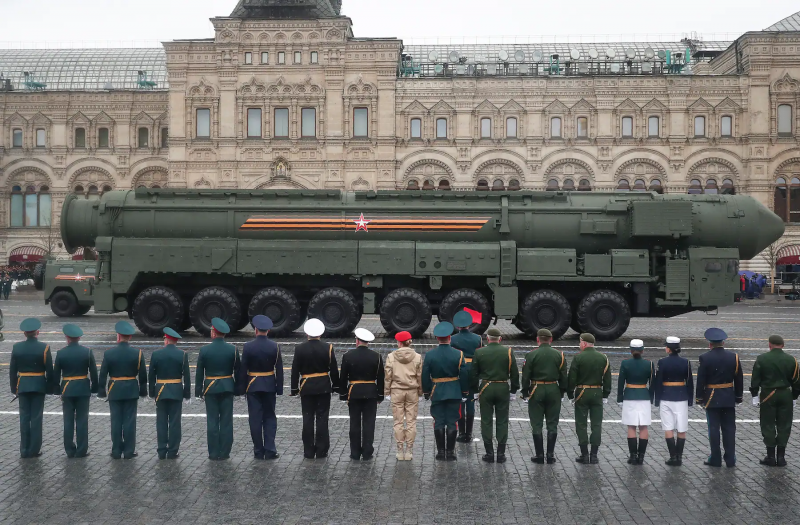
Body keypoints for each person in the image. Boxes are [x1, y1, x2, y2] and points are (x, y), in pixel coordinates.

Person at [291, 318, 340, 459]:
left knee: (307, 419)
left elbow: (295, 370)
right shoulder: (328, 347)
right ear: (320, 333)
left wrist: (294, 388)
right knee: (322, 418)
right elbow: (334, 370)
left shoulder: (300, 348)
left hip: (306, 387)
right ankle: (321, 450)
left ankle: (308, 451)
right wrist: (336, 386)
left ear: (307, 333)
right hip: (324, 386)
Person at [470, 327, 520, 463]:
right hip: (503, 387)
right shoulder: (508, 352)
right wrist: (514, 390)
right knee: (502, 420)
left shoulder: (479, 352)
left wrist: (474, 391)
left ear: (487, 339)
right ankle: (501, 454)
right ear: (500, 339)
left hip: (486, 388)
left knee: (486, 420)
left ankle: (489, 453)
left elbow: (473, 374)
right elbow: (514, 374)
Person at [98, 321, 147, 459]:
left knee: (116, 421)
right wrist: (143, 391)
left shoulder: (109, 353)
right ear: (130, 337)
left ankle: (116, 451)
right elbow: (143, 375)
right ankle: (129, 451)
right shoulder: (137, 353)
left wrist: (101, 391)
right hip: (131, 389)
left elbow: (103, 374)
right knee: (130, 421)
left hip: (115, 389)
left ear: (118, 336)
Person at [422, 321, 470, 461]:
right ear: (450, 337)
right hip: (454, 391)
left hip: (437, 391)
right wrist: (465, 392)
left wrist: (426, 392)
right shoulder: (459, 354)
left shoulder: (430, 355)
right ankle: (450, 452)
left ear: (438, 338)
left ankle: (440, 452)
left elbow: (425, 375)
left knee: (438, 421)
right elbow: (464, 374)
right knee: (452, 421)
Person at [696, 328, 743, 468]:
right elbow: (739, 379)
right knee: (729, 429)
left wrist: (699, 398)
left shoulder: (705, 357)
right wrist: (738, 397)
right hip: (728, 397)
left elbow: (701, 380)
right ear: (723, 342)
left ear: (710, 344)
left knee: (714, 429)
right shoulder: (733, 356)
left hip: (712, 397)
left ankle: (715, 458)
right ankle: (730, 459)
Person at [750, 334, 800, 466]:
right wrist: (794, 396)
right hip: (786, 394)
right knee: (784, 425)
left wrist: (754, 394)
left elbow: (755, 378)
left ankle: (771, 456)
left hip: (768, 394)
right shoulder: (792, 360)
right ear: (783, 345)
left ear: (769, 345)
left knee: (768, 424)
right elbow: (796, 381)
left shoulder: (762, 359)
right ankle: (781, 457)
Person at [238, 315, 283, 460]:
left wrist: (241, 389)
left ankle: (258, 450)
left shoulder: (248, 346)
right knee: (270, 417)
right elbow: (279, 369)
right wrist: (279, 388)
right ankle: (270, 449)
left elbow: (243, 369)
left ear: (255, 329)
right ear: (268, 330)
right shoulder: (275, 346)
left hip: (253, 385)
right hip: (269, 385)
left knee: (255, 419)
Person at [195, 317, 241, 461]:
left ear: (214, 333)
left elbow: (199, 372)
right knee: (226, 421)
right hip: (227, 387)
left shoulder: (204, 350)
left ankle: (213, 453)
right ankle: (225, 452)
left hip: (210, 388)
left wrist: (198, 391)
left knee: (212, 421)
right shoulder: (233, 349)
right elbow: (238, 371)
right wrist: (238, 390)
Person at [520, 328, 567, 464]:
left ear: (538, 339)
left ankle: (539, 455)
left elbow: (525, 376)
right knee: (552, 423)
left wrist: (525, 392)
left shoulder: (531, 355)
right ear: (551, 339)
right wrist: (562, 392)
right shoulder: (560, 355)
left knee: (536, 423)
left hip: (536, 389)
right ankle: (550, 455)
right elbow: (564, 377)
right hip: (553, 389)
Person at [9, 318, 53, 458]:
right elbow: (49, 371)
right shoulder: (44, 348)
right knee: (36, 418)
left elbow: (12, 371)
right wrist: (50, 387)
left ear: (24, 334)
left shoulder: (17, 347)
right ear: (37, 332)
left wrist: (13, 388)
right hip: (39, 385)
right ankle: (34, 449)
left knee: (24, 418)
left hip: (22, 385)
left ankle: (24, 449)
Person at [53, 324, 98, 458]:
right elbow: (94, 373)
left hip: (67, 389)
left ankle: (69, 450)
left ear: (67, 337)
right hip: (83, 389)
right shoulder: (87, 352)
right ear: (79, 338)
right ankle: (82, 450)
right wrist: (94, 388)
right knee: (82, 420)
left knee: (68, 421)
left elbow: (56, 374)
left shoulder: (61, 353)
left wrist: (57, 390)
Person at [339, 328, 385, 461]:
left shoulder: (348, 355)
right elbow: (381, 378)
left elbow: (343, 378)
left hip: (354, 392)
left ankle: (354, 452)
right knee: (369, 423)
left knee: (354, 423)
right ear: (367, 342)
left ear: (357, 341)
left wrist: (343, 394)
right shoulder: (376, 356)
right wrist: (380, 395)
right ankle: (367, 451)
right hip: (371, 392)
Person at [567, 333, 612, 464]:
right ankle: (594, 455)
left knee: (581, 424)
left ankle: (584, 454)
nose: (579, 344)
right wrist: (605, 394)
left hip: (582, 392)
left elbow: (572, 378)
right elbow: (607, 379)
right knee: (596, 424)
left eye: (580, 342)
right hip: (597, 392)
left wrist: (570, 394)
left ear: (585, 343)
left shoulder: (578, 357)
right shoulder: (603, 358)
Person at [148, 327, 191, 460]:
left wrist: (151, 393)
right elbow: (187, 377)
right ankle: (173, 451)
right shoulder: (182, 354)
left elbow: (151, 376)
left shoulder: (156, 354)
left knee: (161, 422)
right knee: (175, 422)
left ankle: (161, 451)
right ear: (175, 341)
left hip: (160, 391)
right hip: (176, 391)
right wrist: (187, 394)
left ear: (166, 340)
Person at [653, 336, 693, 466]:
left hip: (666, 396)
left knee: (668, 427)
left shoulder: (662, 362)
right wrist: (690, 399)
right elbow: (690, 382)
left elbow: (658, 381)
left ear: (669, 349)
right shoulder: (686, 362)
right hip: (681, 396)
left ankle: (673, 456)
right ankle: (679, 457)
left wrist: (657, 399)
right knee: (681, 428)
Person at [384, 331, 423, 461]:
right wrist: (421, 392)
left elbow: (388, 376)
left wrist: (386, 392)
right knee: (411, 422)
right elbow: (420, 376)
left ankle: (400, 450)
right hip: (412, 391)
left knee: (398, 421)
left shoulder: (391, 356)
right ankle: (409, 450)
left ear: (399, 342)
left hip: (396, 391)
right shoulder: (417, 356)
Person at [617, 339, 654, 465]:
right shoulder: (648, 364)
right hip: (644, 395)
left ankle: (633, 456)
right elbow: (652, 383)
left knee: (631, 427)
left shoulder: (625, 363)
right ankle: (641, 457)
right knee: (643, 427)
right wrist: (651, 396)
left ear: (630, 350)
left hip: (629, 396)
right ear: (642, 350)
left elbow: (621, 382)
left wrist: (619, 398)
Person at [450, 311, 481, 443]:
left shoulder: (453, 339)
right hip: (473, 371)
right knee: (471, 401)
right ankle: (469, 433)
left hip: (459, 371)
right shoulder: (477, 338)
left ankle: (462, 433)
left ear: (457, 325)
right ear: (470, 324)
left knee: (460, 402)